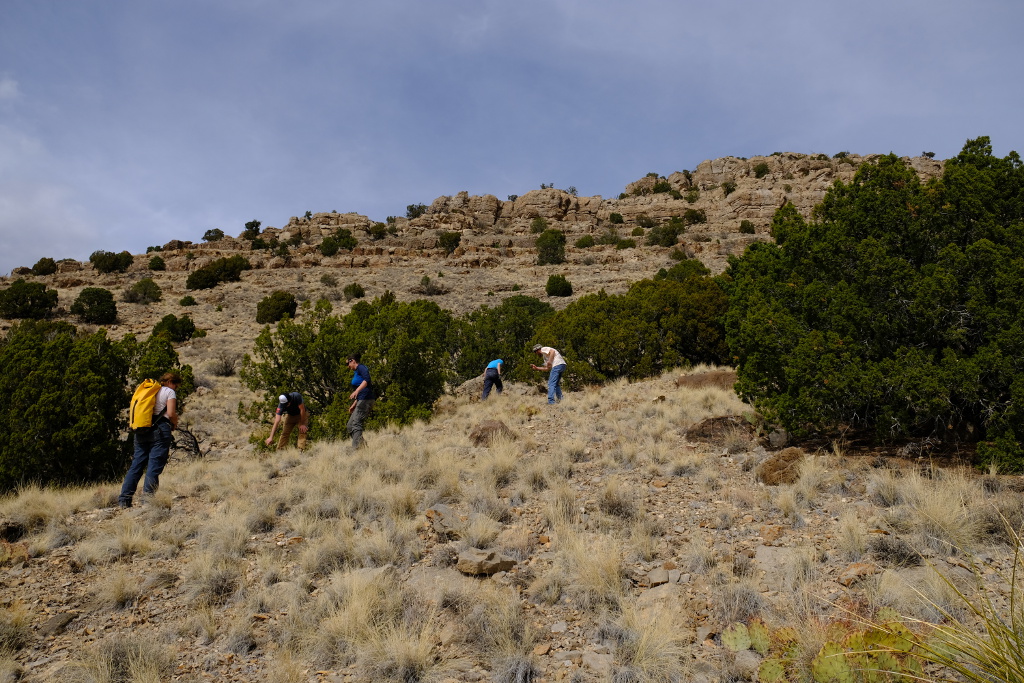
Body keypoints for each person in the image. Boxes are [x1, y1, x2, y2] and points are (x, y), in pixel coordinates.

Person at [119, 372, 181, 508]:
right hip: (160, 430)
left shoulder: (150, 391)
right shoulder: (169, 392)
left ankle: (124, 500)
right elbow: (170, 413)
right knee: (154, 466)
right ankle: (147, 501)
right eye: (176, 385)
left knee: (136, 465)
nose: (176, 388)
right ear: (171, 382)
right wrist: (175, 423)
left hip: (142, 429)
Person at [346, 354, 374, 449]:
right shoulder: (356, 372)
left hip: (366, 399)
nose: (348, 366)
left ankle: (356, 449)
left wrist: (356, 391)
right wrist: (354, 403)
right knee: (350, 426)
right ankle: (363, 446)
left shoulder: (361, 367)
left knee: (356, 422)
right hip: (361, 400)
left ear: (353, 361)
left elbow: (367, 380)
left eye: (348, 363)